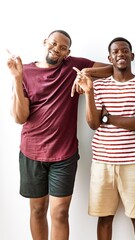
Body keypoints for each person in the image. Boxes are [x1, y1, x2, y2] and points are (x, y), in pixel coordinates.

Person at [6, 30, 111, 240]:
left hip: (64, 154)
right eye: (53, 43)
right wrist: (17, 79)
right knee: (37, 210)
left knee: (60, 212)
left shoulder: (74, 66)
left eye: (63, 47)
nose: (57, 49)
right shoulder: (24, 71)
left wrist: (85, 74)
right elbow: (20, 117)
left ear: (67, 52)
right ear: (45, 42)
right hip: (31, 152)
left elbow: (111, 69)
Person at [73, 37, 135, 240]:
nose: (120, 54)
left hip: (133, 162)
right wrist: (89, 92)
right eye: (115, 52)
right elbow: (93, 123)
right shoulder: (99, 87)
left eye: (124, 51)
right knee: (105, 218)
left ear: (131, 55)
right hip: (103, 163)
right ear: (110, 58)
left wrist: (108, 117)